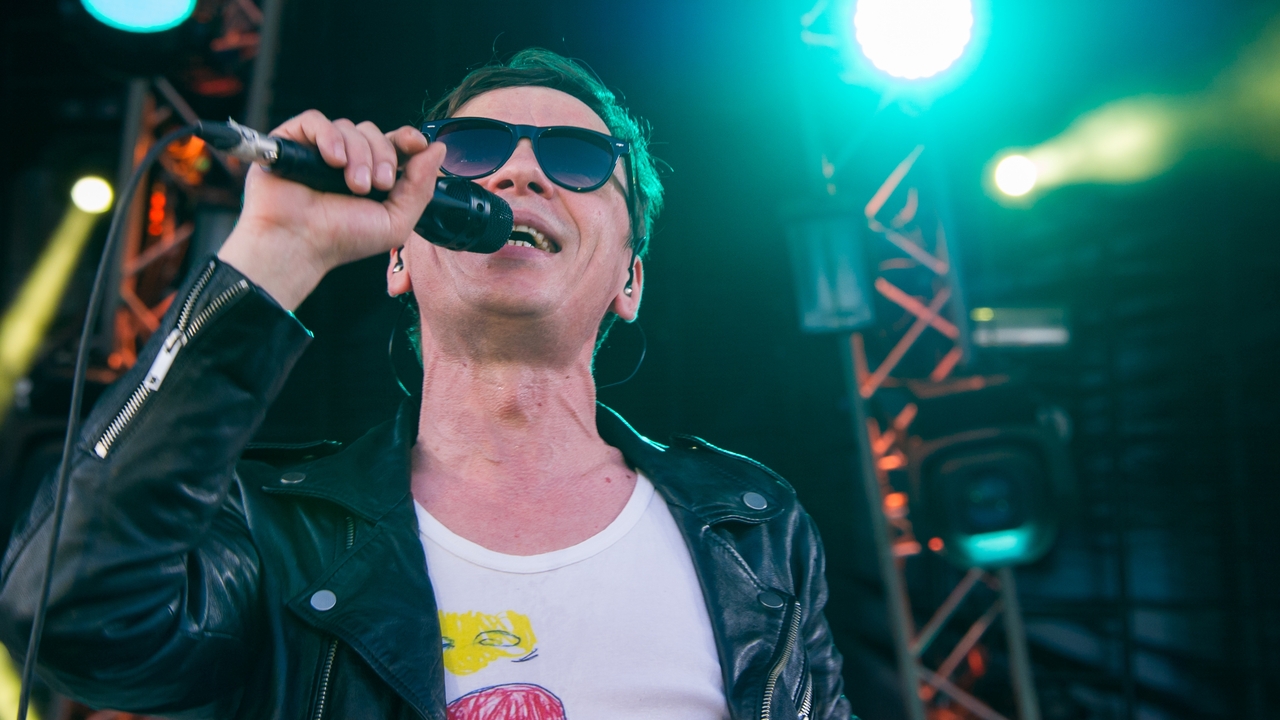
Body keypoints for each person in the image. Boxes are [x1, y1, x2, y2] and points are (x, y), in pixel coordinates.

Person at [0, 49, 851, 720]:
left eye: (579, 158)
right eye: (474, 152)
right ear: (401, 257)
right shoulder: (282, 533)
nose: (520, 175)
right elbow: (69, 615)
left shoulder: (754, 527)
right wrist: (275, 253)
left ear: (631, 280)